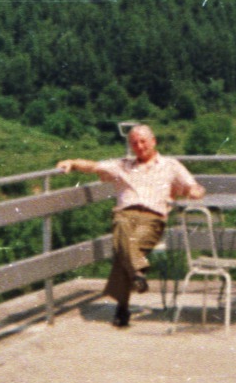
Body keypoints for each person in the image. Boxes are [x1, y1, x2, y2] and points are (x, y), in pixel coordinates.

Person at [58, 124, 204, 328]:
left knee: (124, 249)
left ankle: (124, 304)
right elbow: (93, 166)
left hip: (153, 218)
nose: (139, 146)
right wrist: (72, 162)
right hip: (125, 214)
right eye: (134, 142)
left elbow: (193, 186)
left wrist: (195, 191)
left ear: (154, 142)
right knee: (122, 224)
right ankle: (136, 275)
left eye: (143, 141)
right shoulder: (122, 165)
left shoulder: (171, 165)